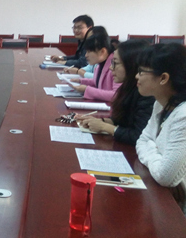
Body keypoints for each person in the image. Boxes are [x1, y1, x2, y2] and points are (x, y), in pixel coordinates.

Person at [135, 43, 186, 212]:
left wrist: (150, 148)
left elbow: (165, 176)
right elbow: (142, 140)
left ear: (163, 78)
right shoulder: (161, 103)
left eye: (141, 71)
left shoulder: (183, 115)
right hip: (166, 194)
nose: (136, 76)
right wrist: (155, 151)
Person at [77, 40, 154, 145]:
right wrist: (99, 121)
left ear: (131, 64)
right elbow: (122, 120)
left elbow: (139, 136)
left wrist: (105, 127)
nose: (110, 67)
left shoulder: (147, 94)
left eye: (115, 63)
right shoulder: (128, 86)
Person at [70, 28, 120, 102]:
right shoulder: (100, 64)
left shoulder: (116, 66)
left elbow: (116, 95)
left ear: (102, 51)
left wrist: (87, 90)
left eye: (89, 52)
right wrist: (80, 81)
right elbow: (97, 82)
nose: (86, 55)